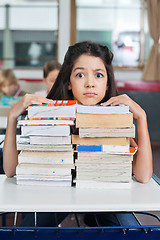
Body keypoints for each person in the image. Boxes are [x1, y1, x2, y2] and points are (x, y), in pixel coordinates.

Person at [3, 41, 153, 226]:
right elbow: (10, 171)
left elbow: (144, 176)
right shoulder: (47, 116)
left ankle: (92, 217)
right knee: (26, 232)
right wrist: (12, 117)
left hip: (105, 197)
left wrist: (142, 118)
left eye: (98, 75)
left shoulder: (115, 117)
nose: (90, 84)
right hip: (55, 195)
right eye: (80, 75)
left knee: (132, 231)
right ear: (68, 83)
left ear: (107, 84)